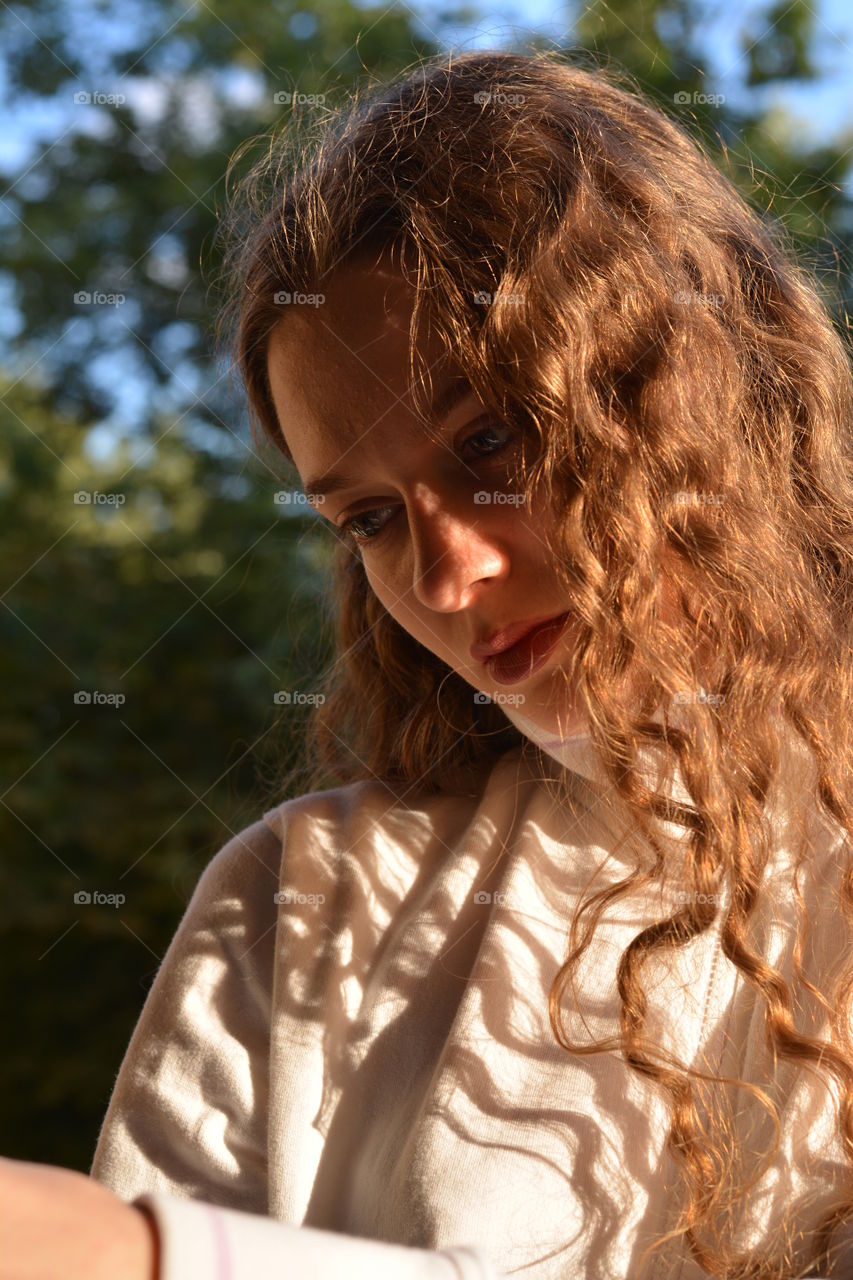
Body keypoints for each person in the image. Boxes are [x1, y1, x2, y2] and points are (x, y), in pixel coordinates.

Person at [4, 46, 853, 1280]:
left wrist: (165, 1256)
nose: (446, 577)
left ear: (688, 383)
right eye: (369, 516)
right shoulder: (300, 901)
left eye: (489, 440)